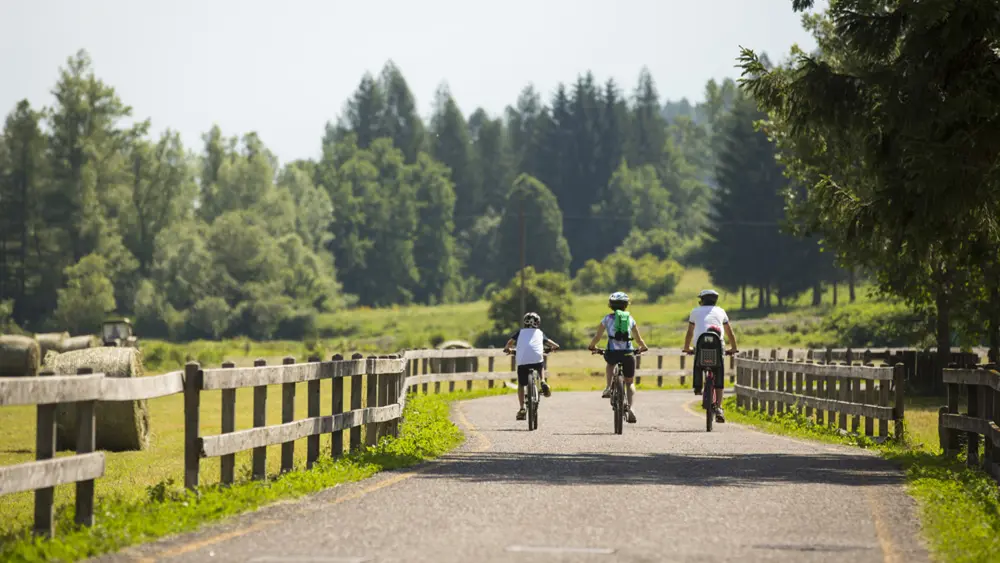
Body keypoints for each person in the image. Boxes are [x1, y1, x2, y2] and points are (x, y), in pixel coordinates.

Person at [587, 291, 648, 423]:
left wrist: (592, 346)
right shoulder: (630, 319)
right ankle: (630, 407)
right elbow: (638, 338)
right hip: (628, 353)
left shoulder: (607, 319)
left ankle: (608, 387)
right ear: (626, 306)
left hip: (613, 353)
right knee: (630, 382)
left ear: (610, 305)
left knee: (610, 364)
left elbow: (597, 337)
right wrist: (643, 347)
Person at [683, 289, 738, 422]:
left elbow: (690, 332)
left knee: (698, 363)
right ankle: (719, 407)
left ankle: (697, 387)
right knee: (719, 371)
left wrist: (687, 348)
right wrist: (734, 348)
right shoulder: (721, 311)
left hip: (701, 346)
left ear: (702, 300)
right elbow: (729, 332)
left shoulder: (695, 311)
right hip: (718, 346)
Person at [504, 312, 559, 421]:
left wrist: (508, 349)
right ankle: (543, 380)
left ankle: (522, 408)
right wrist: (551, 349)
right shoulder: (539, 333)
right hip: (536, 359)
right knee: (540, 365)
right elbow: (555, 345)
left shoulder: (520, 332)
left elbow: (509, 343)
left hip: (522, 361)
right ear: (538, 323)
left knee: (520, 385)